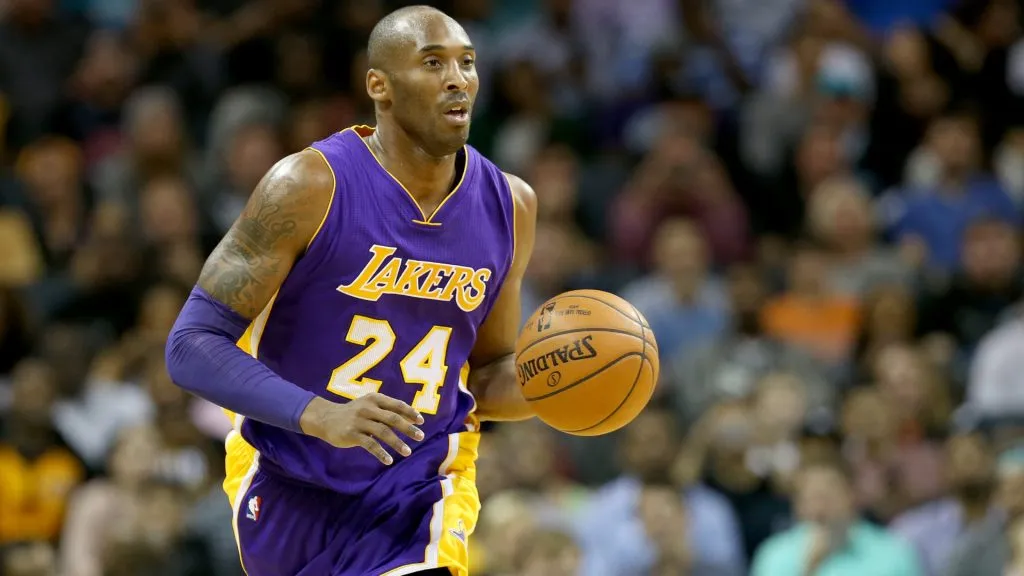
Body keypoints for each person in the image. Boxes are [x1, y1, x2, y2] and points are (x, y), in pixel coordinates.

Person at [164, 6, 538, 576]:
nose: (458, 79)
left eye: (467, 63)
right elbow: (191, 344)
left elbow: (484, 376)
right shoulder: (309, 186)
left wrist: (557, 386)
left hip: (418, 491)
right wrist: (319, 415)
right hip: (287, 473)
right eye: (432, 63)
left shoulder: (510, 207)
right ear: (378, 85)